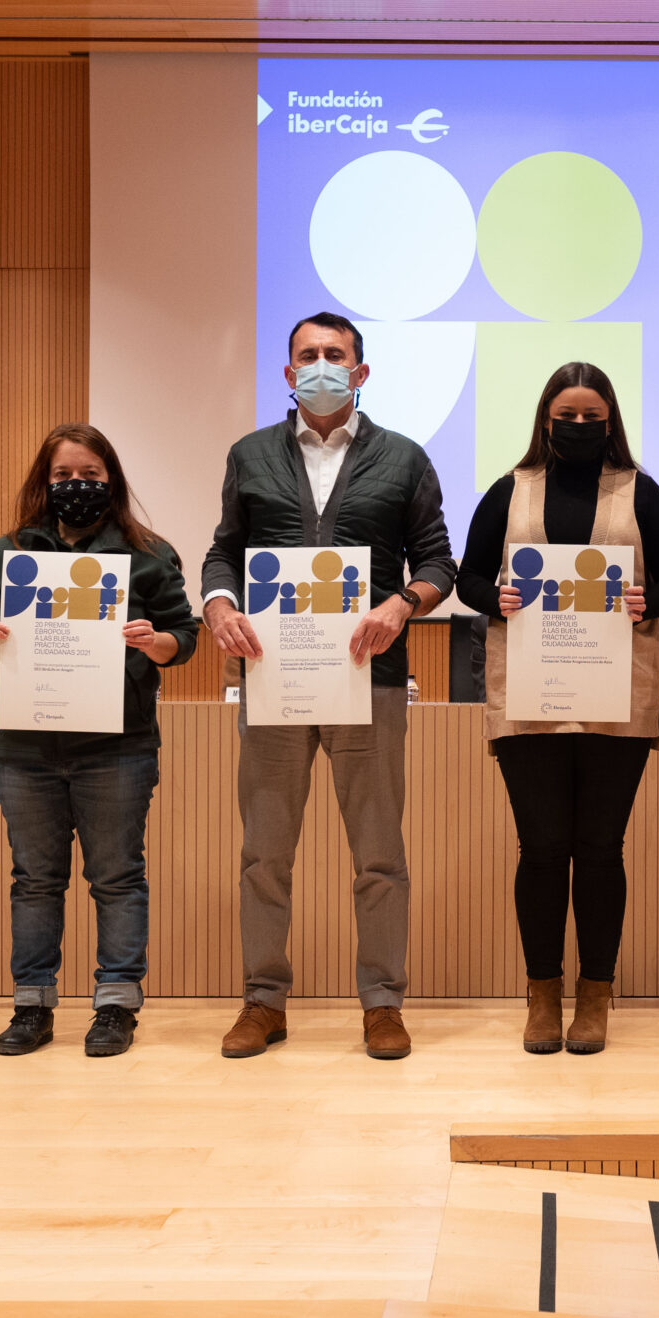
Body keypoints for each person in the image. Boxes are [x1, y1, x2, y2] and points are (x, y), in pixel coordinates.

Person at [201, 313, 458, 1060]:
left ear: (361, 371)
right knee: (264, 851)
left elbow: (438, 561)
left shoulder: (404, 457)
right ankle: (263, 1000)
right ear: (288, 374)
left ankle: (382, 1003)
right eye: (307, 356)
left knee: (379, 853)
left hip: (367, 677)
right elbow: (223, 552)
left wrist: (402, 602)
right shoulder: (250, 454)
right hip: (273, 680)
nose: (321, 365)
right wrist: (218, 603)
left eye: (335, 355)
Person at [459, 362, 659, 1055]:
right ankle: (542, 994)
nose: (581, 426)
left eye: (594, 416)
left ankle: (596, 994)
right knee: (540, 849)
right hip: (529, 697)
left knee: (598, 849)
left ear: (611, 420)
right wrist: (491, 596)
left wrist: (648, 598)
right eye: (569, 414)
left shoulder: (642, 492)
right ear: (545, 418)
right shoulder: (509, 490)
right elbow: (471, 573)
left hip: (614, 697)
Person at [0, 424, 197, 1057]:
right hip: (24, 747)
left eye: (90, 475)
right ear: (45, 482)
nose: (76, 486)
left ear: (112, 480)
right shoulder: (10, 553)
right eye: (63, 476)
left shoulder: (147, 554)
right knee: (35, 879)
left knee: (116, 877)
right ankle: (32, 1004)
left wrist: (156, 642)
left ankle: (116, 1004)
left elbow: (184, 637)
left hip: (116, 747)